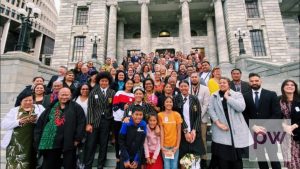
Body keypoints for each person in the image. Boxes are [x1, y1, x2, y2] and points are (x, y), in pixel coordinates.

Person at [34, 87, 86, 169]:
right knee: (49, 164)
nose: (64, 97)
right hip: (51, 142)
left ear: (70, 96)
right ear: (58, 95)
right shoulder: (51, 107)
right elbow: (41, 122)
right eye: (62, 95)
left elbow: (81, 123)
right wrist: (38, 137)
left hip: (69, 141)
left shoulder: (76, 107)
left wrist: (77, 139)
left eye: (66, 95)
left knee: (69, 164)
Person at [208, 77, 253, 169]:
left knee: (236, 158)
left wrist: (228, 98)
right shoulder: (214, 95)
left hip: (234, 130)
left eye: (224, 82)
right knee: (222, 158)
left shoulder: (237, 94)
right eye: (220, 83)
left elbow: (241, 108)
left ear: (229, 84)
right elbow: (211, 110)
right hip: (221, 129)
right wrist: (218, 123)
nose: (222, 84)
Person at [243, 73, 282, 169]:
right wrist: (253, 127)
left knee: (273, 156)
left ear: (261, 81)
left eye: (256, 80)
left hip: (270, 131)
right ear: (249, 82)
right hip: (254, 131)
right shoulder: (245, 96)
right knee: (260, 157)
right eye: (252, 81)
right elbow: (244, 114)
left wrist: (265, 128)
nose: (254, 83)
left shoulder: (271, 94)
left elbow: (277, 113)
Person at [1, 92, 45, 169]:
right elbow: (4, 124)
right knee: (14, 163)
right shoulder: (14, 110)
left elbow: (45, 120)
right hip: (16, 142)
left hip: (32, 141)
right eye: (25, 100)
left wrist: (35, 120)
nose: (28, 102)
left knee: (30, 162)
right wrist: (18, 122)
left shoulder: (39, 108)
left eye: (30, 100)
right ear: (21, 101)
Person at [84, 71, 116, 169]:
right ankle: (88, 165)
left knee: (104, 144)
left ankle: (100, 165)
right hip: (94, 121)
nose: (104, 83)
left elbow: (113, 107)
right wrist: (89, 123)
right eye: (102, 81)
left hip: (106, 121)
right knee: (91, 144)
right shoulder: (93, 91)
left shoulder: (112, 92)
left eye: (106, 81)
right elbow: (90, 108)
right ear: (99, 81)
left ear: (109, 82)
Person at [173, 80, 206, 167]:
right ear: (179, 88)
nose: (184, 88)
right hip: (182, 132)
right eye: (182, 86)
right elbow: (178, 116)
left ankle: (195, 166)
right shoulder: (176, 99)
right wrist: (186, 131)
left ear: (189, 87)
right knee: (184, 157)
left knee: (195, 155)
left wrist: (194, 130)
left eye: (186, 86)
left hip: (194, 132)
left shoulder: (194, 98)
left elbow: (199, 115)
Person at [189, 72, 210, 169]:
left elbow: (206, 105)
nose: (194, 79)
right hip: (190, 120)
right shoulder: (187, 88)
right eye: (192, 77)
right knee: (191, 140)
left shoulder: (205, 89)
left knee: (202, 139)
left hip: (201, 119)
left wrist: (198, 117)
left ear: (199, 78)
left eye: (195, 77)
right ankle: (193, 160)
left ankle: (204, 160)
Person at [112, 79, 135, 167]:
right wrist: (122, 117)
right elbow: (114, 106)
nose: (129, 85)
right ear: (125, 84)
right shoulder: (119, 93)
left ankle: (126, 156)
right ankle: (118, 156)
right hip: (118, 120)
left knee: (127, 139)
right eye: (128, 83)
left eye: (131, 84)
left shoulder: (133, 95)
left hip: (128, 121)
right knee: (119, 138)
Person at [279, 79, 300, 169]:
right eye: (287, 84)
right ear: (283, 87)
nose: (290, 86)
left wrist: (293, 126)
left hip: (298, 131)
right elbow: (275, 115)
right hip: (285, 133)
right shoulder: (277, 100)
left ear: (295, 88)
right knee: (289, 159)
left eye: (292, 85)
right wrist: (284, 126)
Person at [158, 96, 182, 169]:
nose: (169, 103)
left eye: (170, 102)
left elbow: (179, 131)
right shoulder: (160, 115)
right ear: (164, 104)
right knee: (167, 165)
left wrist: (177, 146)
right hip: (165, 146)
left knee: (174, 166)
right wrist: (162, 146)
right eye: (167, 102)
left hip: (174, 146)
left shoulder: (177, 115)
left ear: (173, 103)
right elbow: (161, 131)